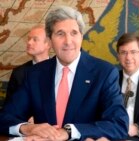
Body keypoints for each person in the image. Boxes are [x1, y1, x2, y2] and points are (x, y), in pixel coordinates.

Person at [0, 5, 128, 141]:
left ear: (81, 36)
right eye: (60, 34)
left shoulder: (104, 73)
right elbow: (5, 118)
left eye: (74, 33)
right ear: (49, 41)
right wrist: (28, 128)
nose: (68, 41)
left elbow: (118, 124)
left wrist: (69, 131)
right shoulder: (35, 74)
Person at [6, 24, 51, 103]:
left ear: (48, 44)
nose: (29, 42)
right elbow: (9, 108)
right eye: (29, 39)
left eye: (35, 39)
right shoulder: (18, 73)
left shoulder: (60, 70)